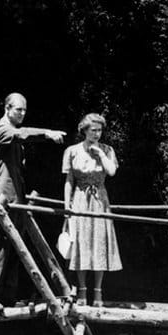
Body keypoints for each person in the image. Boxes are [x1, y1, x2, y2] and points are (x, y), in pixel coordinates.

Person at [0, 92, 66, 307]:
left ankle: (7, 296)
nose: (22, 113)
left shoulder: (11, 134)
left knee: (15, 246)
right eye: (18, 110)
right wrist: (47, 134)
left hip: (16, 197)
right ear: (7, 109)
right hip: (2, 199)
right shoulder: (1, 129)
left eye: (24, 110)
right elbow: (23, 134)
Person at [62, 113, 121, 307]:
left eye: (100, 130)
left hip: (100, 201)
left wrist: (101, 154)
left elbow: (112, 172)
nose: (97, 134)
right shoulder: (72, 151)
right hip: (79, 199)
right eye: (93, 130)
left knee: (99, 243)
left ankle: (98, 292)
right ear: (84, 131)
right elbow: (69, 180)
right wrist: (66, 205)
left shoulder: (107, 149)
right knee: (81, 244)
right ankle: (81, 290)